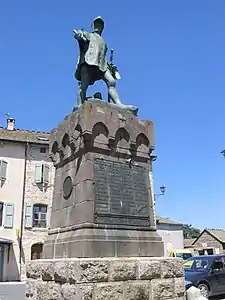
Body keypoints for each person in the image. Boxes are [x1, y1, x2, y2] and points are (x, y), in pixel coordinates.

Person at [73, 16, 138, 114]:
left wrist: (110, 67)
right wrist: (79, 36)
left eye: (100, 24)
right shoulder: (88, 34)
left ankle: (119, 104)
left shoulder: (103, 42)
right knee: (84, 85)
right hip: (88, 62)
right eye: (96, 24)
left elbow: (102, 56)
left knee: (111, 81)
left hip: (101, 65)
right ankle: (79, 105)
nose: (98, 26)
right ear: (93, 25)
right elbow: (82, 39)